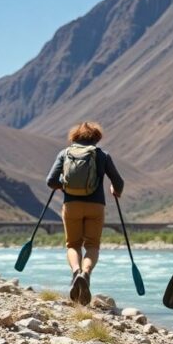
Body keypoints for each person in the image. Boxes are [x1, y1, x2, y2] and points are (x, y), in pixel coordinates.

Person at [46, 121, 124, 306]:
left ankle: (75, 272)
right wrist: (115, 190)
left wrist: (63, 186)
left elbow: (50, 180)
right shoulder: (102, 155)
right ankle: (86, 273)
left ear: (74, 137)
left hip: (71, 205)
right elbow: (118, 182)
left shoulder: (64, 154)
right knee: (92, 245)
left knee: (73, 245)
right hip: (95, 207)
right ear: (97, 138)